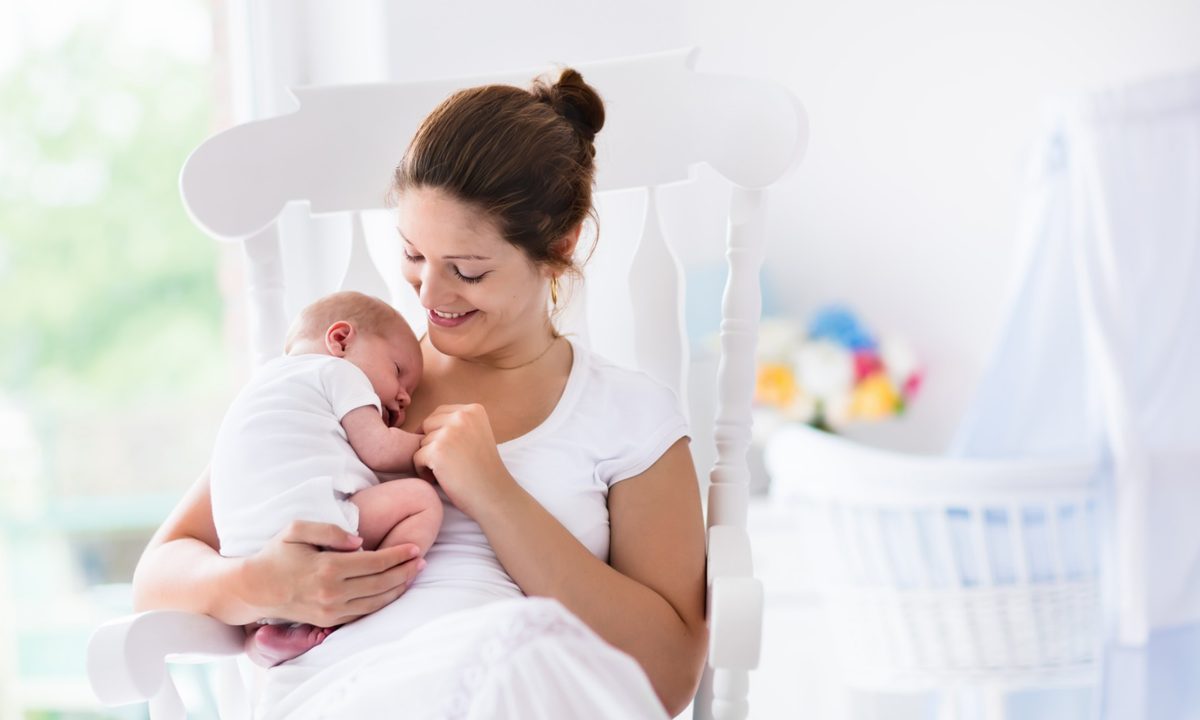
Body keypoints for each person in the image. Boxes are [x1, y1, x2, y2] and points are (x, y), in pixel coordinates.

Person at [132, 67, 707, 719]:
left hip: (518, 692)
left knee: (517, 656)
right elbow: (157, 577)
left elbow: (665, 679)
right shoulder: (345, 380)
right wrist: (259, 583)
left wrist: (494, 493)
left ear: (560, 245)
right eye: (412, 255)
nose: (429, 295)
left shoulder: (629, 416)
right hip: (340, 695)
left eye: (467, 270)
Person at [209, 290, 442, 667]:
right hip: (316, 529)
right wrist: (434, 445)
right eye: (399, 372)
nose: (404, 398)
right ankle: (377, 583)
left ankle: (262, 636)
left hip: (249, 554)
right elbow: (380, 449)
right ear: (341, 340)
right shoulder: (338, 371)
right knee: (420, 500)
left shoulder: (260, 388)